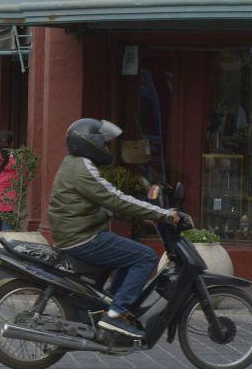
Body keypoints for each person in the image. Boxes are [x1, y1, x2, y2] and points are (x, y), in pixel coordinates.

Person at [48, 118, 180, 339]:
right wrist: (163, 214)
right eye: (103, 143)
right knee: (146, 257)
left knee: (128, 253)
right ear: (89, 144)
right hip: (82, 237)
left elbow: (102, 201)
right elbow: (114, 198)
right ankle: (116, 314)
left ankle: (108, 303)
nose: (106, 148)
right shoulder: (83, 168)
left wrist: (136, 212)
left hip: (76, 232)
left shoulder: (72, 163)